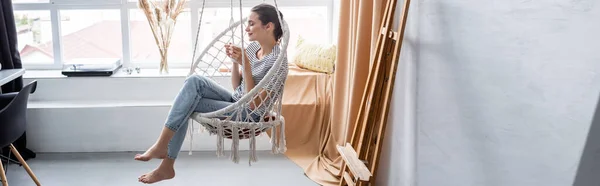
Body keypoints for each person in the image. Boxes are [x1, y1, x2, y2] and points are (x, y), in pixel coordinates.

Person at [134, 3, 287, 184]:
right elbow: (237, 85)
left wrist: (245, 63)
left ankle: (164, 155)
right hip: (235, 102)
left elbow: (254, 105)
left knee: (187, 104)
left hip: (248, 114)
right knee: (195, 81)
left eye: (252, 23)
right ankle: (163, 155)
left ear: (268, 26)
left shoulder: (279, 63)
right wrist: (236, 62)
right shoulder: (254, 49)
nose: (246, 28)